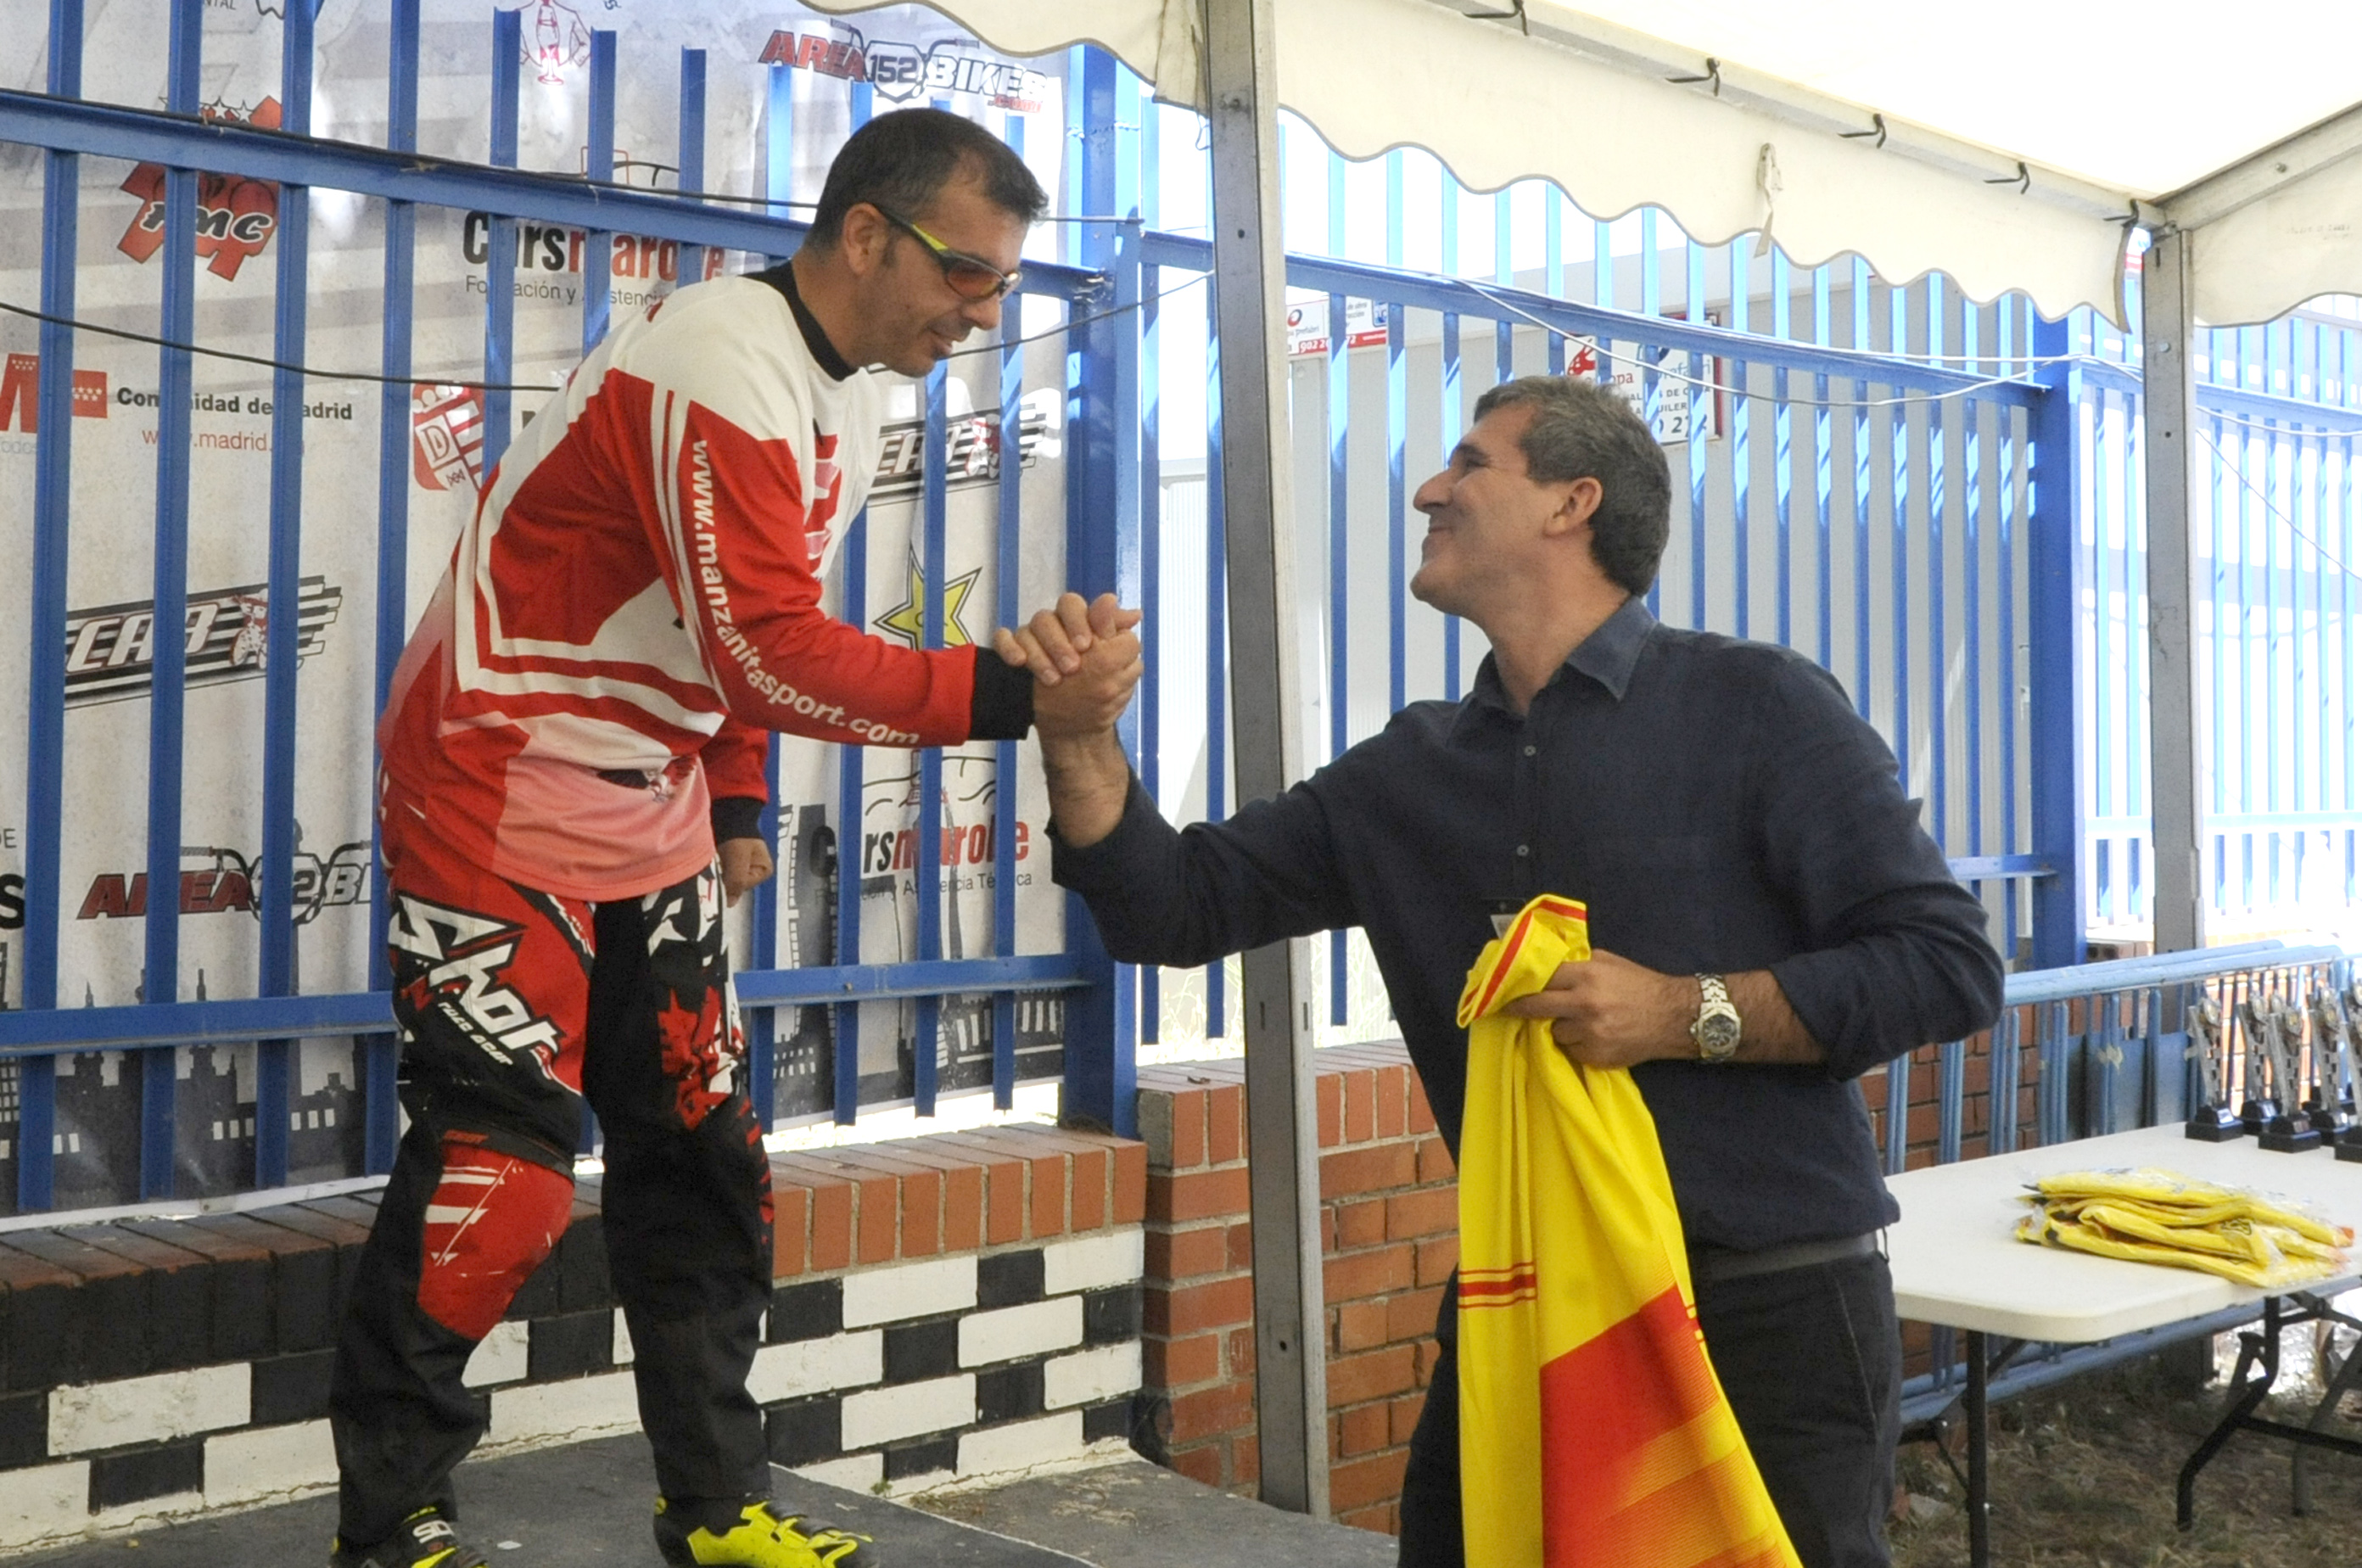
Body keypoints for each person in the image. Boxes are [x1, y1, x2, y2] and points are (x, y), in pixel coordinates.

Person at [1015, 374, 2006, 1568]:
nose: (1428, 491)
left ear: (1572, 503)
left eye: (1470, 463)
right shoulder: (1409, 772)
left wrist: (1681, 1011)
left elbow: (1946, 964)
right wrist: (1078, 737)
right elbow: (1170, 906)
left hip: (1762, 1313)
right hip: (1521, 1309)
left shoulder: (1757, 705)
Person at [333, 109, 1115, 1568]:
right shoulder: (718, 358)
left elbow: (729, 624)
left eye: (1005, 283)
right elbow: (765, 649)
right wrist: (1015, 695)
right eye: (968, 273)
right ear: (866, 235)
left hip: (652, 804)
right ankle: (389, 1528)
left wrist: (737, 799)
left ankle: (714, 1511)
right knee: (500, 1178)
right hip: (495, 778)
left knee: (703, 1159)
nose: (985, 311)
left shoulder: (848, 391)